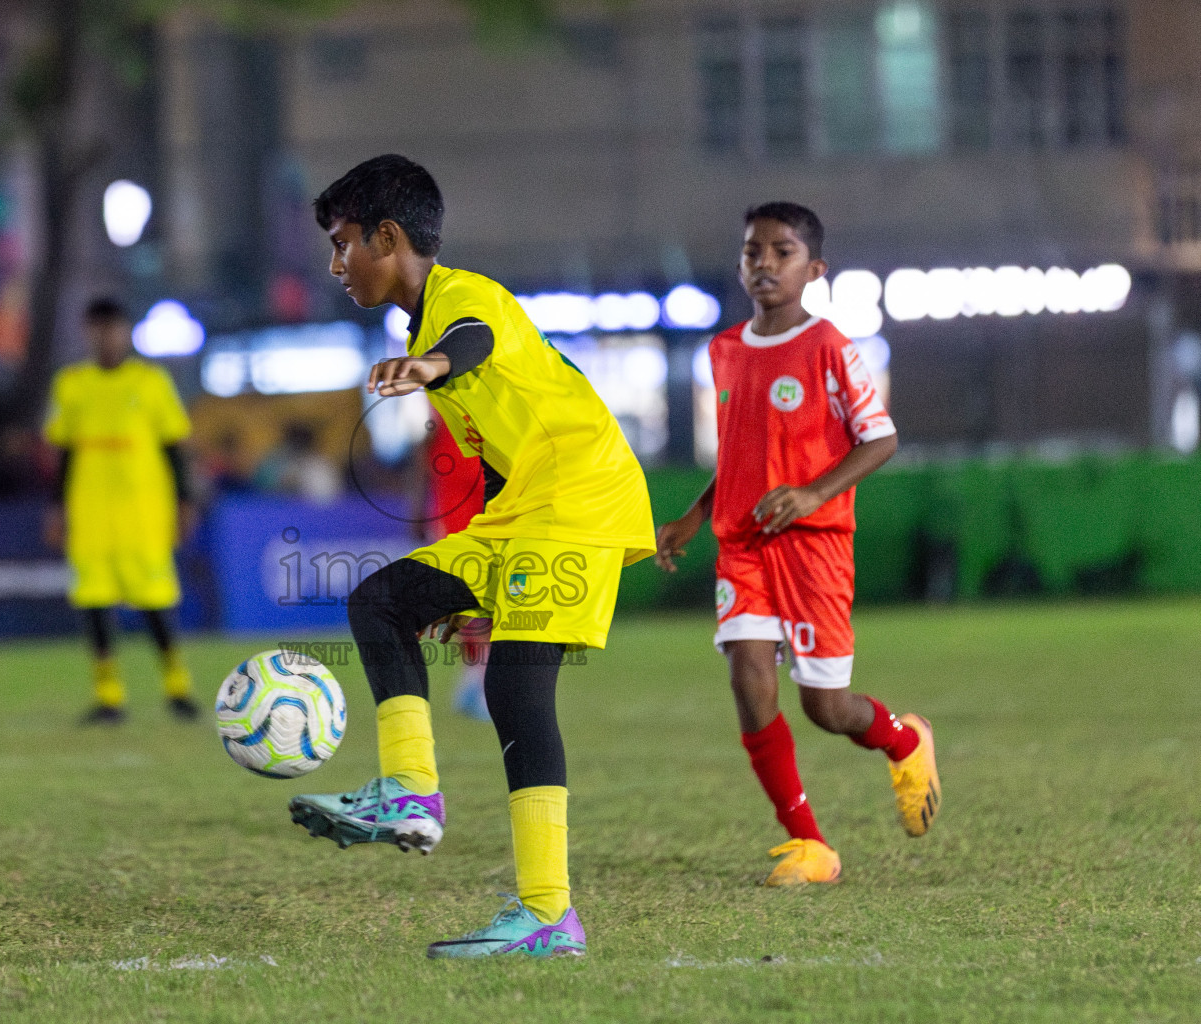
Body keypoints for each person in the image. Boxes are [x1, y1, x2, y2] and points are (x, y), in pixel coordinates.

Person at [288, 155, 656, 958]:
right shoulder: (420, 323)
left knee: (518, 690)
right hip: (523, 513)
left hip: (579, 498)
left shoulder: (461, 299)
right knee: (380, 601)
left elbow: (474, 340)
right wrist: (481, 582)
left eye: (343, 242)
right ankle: (411, 791)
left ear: (389, 237)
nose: (336, 263)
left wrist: (430, 366)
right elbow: (491, 461)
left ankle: (547, 914)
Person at [654, 202, 940, 887]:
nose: (764, 264)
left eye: (782, 252)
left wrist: (813, 493)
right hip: (744, 544)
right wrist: (696, 515)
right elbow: (743, 454)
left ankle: (905, 740)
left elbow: (881, 438)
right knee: (749, 680)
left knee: (825, 707)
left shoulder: (832, 348)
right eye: (753, 251)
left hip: (814, 545)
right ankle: (809, 845)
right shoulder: (722, 351)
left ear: (814, 270)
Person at [43, 297, 199, 724]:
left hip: (143, 514)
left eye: (112, 328)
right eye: (98, 329)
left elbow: (173, 449)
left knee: (154, 602)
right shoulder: (72, 384)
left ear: (126, 331)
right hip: (91, 514)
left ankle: (177, 687)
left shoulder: (151, 383)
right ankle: (108, 695)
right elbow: (65, 454)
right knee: (93, 603)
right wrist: (57, 508)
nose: (106, 337)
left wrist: (184, 502)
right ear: (87, 333)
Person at [419, 412, 491, 722]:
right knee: (468, 595)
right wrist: (417, 504)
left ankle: (476, 681)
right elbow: (423, 445)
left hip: (489, 498)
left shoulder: (496, 397)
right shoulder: (442, 396)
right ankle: (478, 682)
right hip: (452, 504)